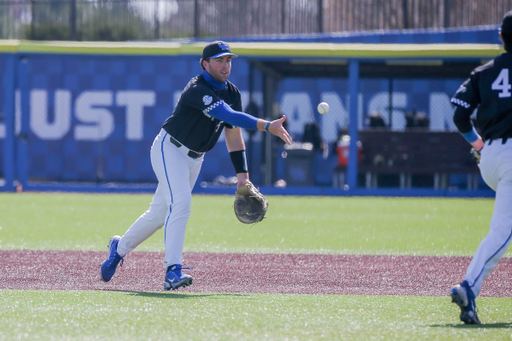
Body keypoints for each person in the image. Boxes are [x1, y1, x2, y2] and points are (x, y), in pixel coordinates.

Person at [99, 41, 291, 290]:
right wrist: (267, 125)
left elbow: (233, 134)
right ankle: (172, 271)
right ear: (205, 64)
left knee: (158, 215)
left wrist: (243, 176)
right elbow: (230, 116)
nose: (225, 65)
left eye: (228, 60)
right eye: (219, 60)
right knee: (181, 203)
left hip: (195, 157)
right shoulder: (197, 89)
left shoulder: (232, 92)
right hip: (170, 149)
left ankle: (119, 248)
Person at [449, 11, 512, 324]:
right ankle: (468, 286)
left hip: (491, 157)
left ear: (501, 37)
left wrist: (479, 146)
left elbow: (459, 117)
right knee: (502, 229)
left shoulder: (484, 72)